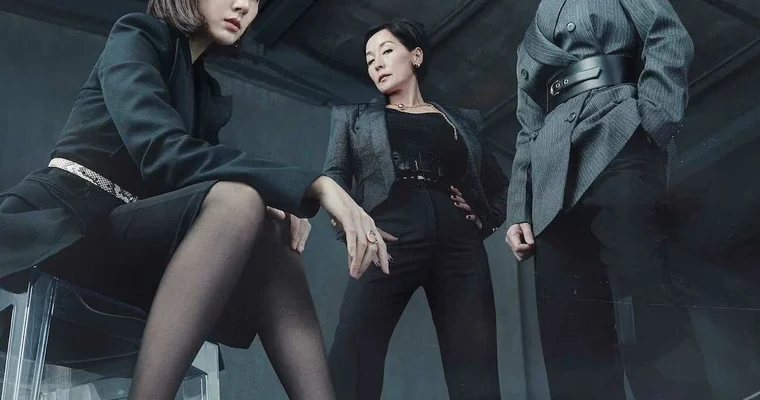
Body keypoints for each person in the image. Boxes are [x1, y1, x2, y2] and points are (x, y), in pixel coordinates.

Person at [0, 0, 390, 399]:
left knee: (270, 228)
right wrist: (316, 185)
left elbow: (199, 176)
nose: (244, 6)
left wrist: (269, 200)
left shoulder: (204, 92)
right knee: (240, 201)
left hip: (125, 250)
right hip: (68, 229)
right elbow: (163, 152)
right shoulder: (136, 35)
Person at [504, 0, 712, 398]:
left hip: (617, 135)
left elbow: (667, 34)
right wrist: (519, 209)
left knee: (643, 286)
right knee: (568, 320)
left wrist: (652, 121)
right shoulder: (528, 42)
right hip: (551, 174)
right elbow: (528, 127)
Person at [323, 19, 508, 400]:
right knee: (353, 351)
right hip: (388, 229)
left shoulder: (463, 121)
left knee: (474, 364)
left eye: (386, 51)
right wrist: (352, 225)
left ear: (416, 56)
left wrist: (483, 217)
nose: (376, 63)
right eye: (369, 59)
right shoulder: (351, 117)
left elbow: (501, 186)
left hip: (458, 240)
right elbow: (334, 175)